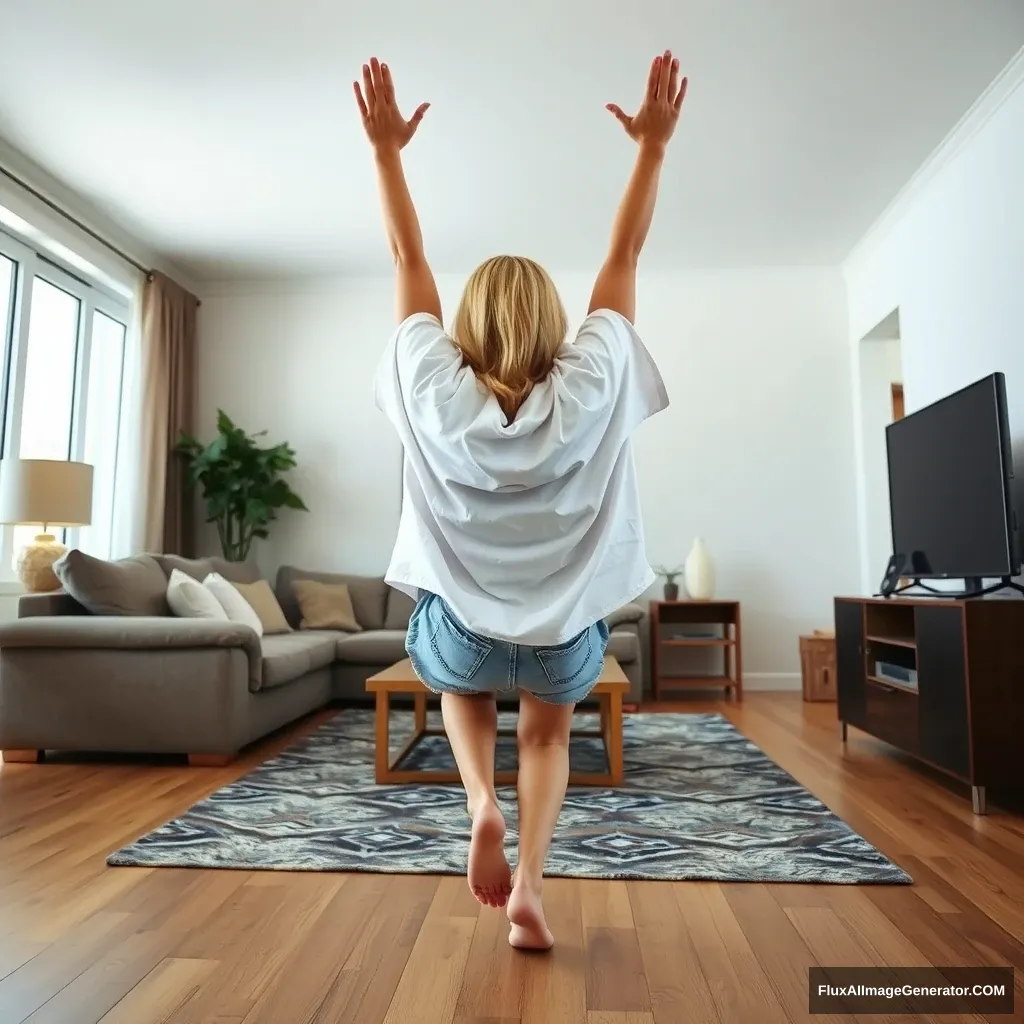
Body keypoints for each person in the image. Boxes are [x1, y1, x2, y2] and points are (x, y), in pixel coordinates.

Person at [355, 50, 686, 950]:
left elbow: (405, 253)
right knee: (546, 740)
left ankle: (476, 801)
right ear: (554, 324)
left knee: (443, 638)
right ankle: (532, 886)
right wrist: (651, 148)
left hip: (462, 640)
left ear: (463, 328)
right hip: (559, 644)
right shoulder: (589, 385)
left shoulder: (431, 383)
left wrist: (388, 151)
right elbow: (624, 253)